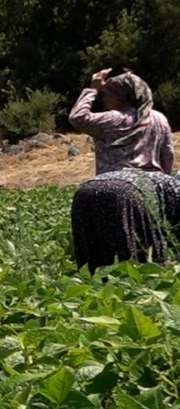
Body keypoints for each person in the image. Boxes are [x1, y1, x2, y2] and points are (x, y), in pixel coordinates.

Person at [66, 68, 180, 269]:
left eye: (107, 94)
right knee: (144, 257)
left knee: (95, 262)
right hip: (141, 185)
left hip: (92, 188)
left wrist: (92, 88)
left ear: (120, 97)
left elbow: (77, 117)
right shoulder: (158, 119)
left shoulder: (113, 119)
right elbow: (167, 157)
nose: (106, 99)